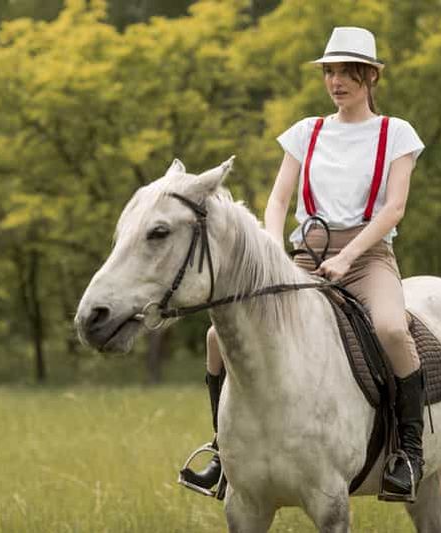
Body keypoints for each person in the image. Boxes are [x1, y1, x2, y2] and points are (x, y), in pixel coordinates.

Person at [179, 26, 427, 501]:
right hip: (304, 256)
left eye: (347, 72)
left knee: (393, 329)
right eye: (330, 72)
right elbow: (276, 201)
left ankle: (407, 454)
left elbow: (393, 210)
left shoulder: (396, 134)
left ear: (370, 76)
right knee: (217, 336)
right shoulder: (305, 132)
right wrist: (274, 251)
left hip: (367, 256)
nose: (336, 81)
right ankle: (222, 451)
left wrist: (349, 255)